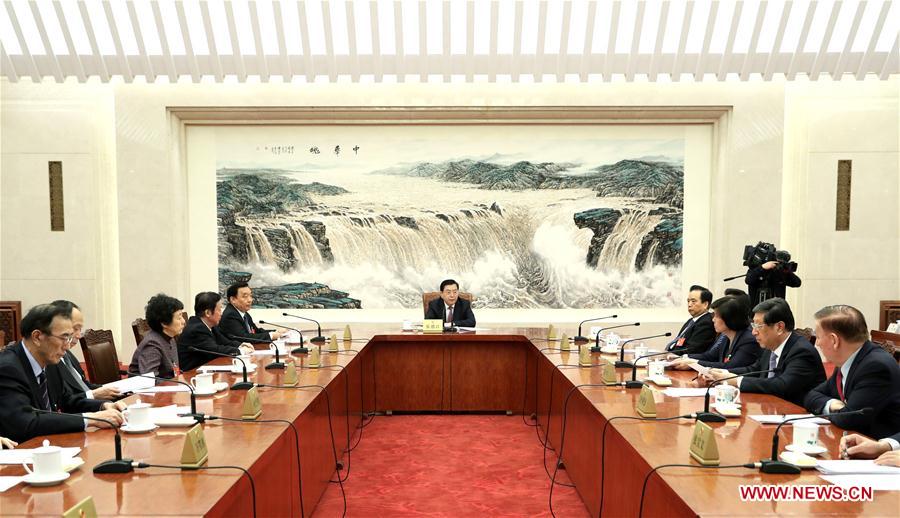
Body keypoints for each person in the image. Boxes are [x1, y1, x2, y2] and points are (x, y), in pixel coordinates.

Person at [0, 304, 124, 443]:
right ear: (37, 337)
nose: (67, 345)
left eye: (70, 338)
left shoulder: (51, 362)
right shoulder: (7, 369)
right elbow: (26, 422)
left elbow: (67, 401)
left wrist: (103, 406)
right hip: (20, 453)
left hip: (52, 445)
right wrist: (91, 419)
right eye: (64, 337)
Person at [701, 298, 825, 406]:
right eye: (753, 325)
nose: (753, 332)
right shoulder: (770, 346)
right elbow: (754, 370)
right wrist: (724, 373)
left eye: (758, 326)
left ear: (779, 327)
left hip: (799, 418)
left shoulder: (802, 352)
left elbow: (782, 386)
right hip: (773, 410)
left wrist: (735, 380)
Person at [804, 305, 900, 439]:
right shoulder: (848, 360)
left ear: (834, 340)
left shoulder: (876, 367)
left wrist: (840, 411)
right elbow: (811, 396)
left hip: (878, 450)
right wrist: (831, 404)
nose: (817, 343)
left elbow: (849, 419)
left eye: (819, 337)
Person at [49, 300, 121, 401]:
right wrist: (93, 396)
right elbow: (65, 402)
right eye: (75, 329)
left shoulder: (67, 354)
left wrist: (112, 390)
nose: (78, 336)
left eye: (80, 329)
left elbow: (83, 385)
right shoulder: (49, 360)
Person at [670, 295, 761, 370]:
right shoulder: (726, 336)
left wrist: (694, 364)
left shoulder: (748, 340)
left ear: (729, 318)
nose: (713, 320)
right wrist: (684, 357)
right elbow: (709, 356)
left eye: (716, 316)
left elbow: (730, 367)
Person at [178, 292, 254, 372]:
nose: (221, 313)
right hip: (191, 374)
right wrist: (241, 351)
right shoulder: (196, 329)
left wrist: (240, 345)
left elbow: (224, 342)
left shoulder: (211, 325)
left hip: (206, 369)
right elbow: (215, 350)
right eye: (219, 309)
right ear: (208, 313)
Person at [128, 294, 186, 378]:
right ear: (164, 323)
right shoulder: (152, 344)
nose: (183, 321)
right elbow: (150, 380)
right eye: (179, 318)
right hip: (144, 390)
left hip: (170, 387)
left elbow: (173, 371)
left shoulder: (170, 338)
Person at [665, 285, 716, 355]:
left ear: (705, 304)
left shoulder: (706, 323)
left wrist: (669, 355)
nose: (689, 304)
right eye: (688, 301)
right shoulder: (691, 321)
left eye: (693, 301)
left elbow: (692, 349)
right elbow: (679, 342)